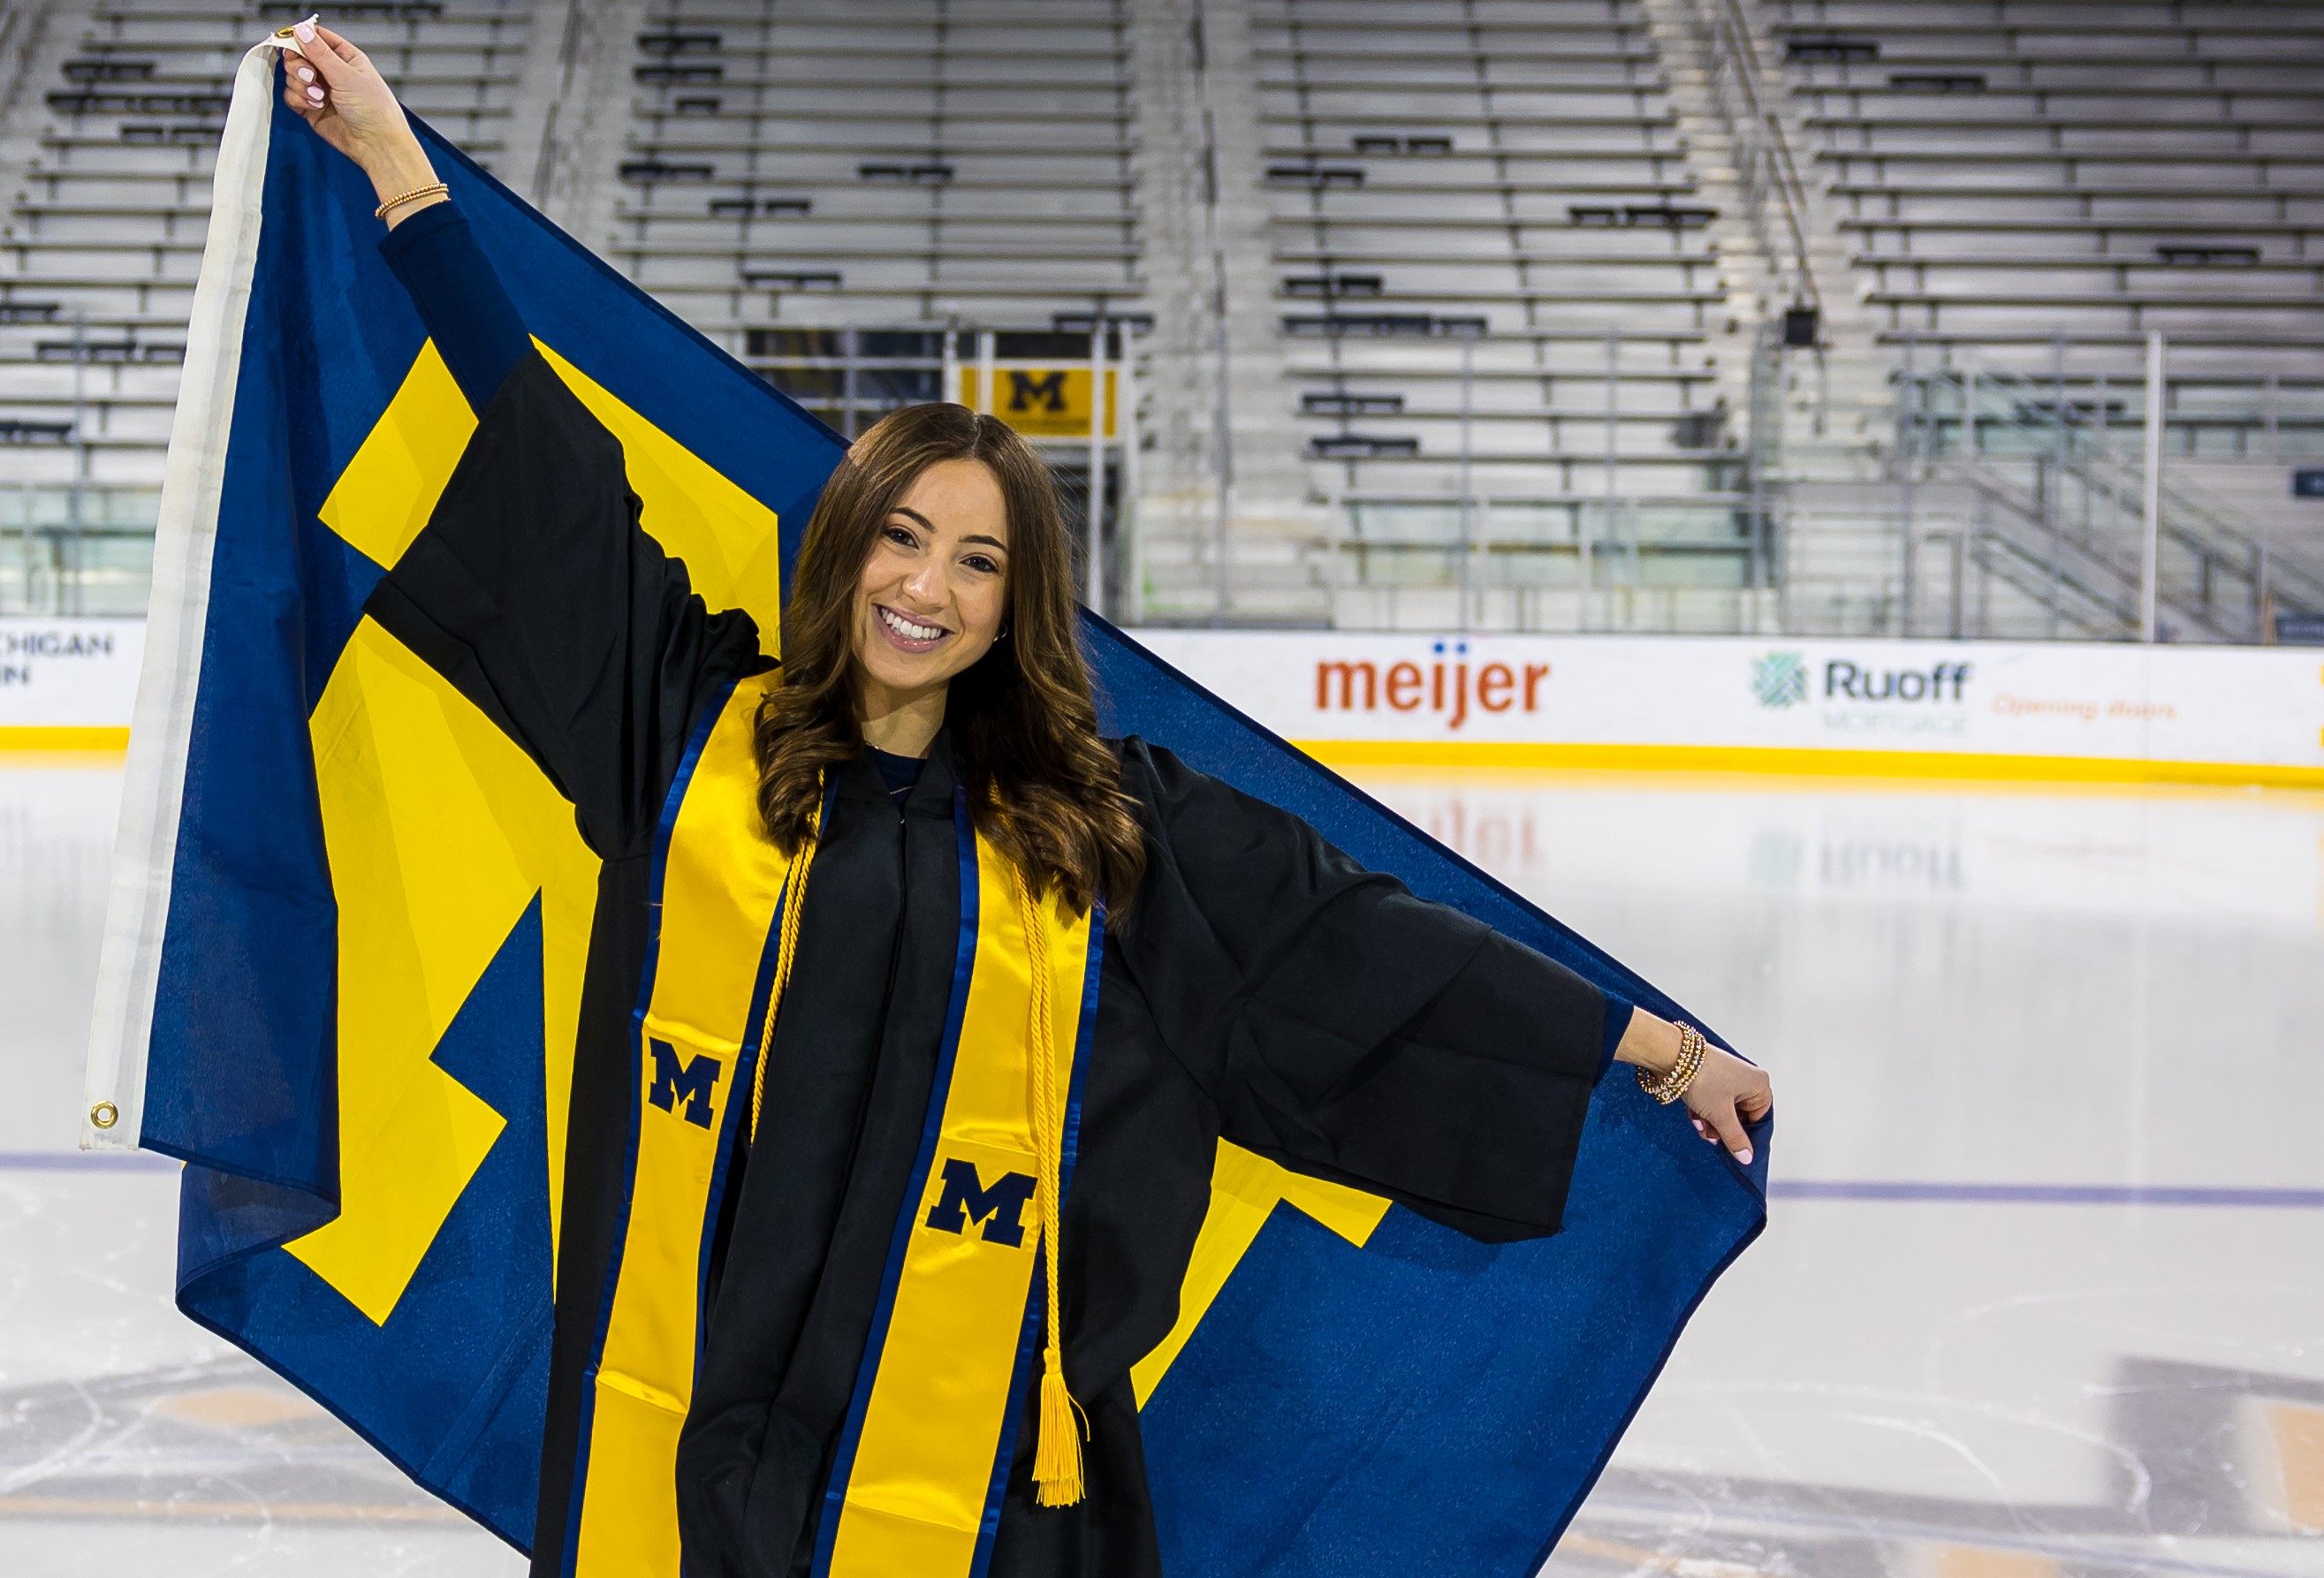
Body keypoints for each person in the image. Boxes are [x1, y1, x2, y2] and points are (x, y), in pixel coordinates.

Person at [276, 22, 1775, 1578]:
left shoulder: (1110, 830)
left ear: (1020, 600)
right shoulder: (696, 728)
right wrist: (398, 171)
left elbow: (1366, 953)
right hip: (688, 1441)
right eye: (901, 536)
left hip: (979, 1489)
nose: (926, 586)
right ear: (844, 544)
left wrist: (1657, 1049)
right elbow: (546, 463)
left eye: (978, 559)